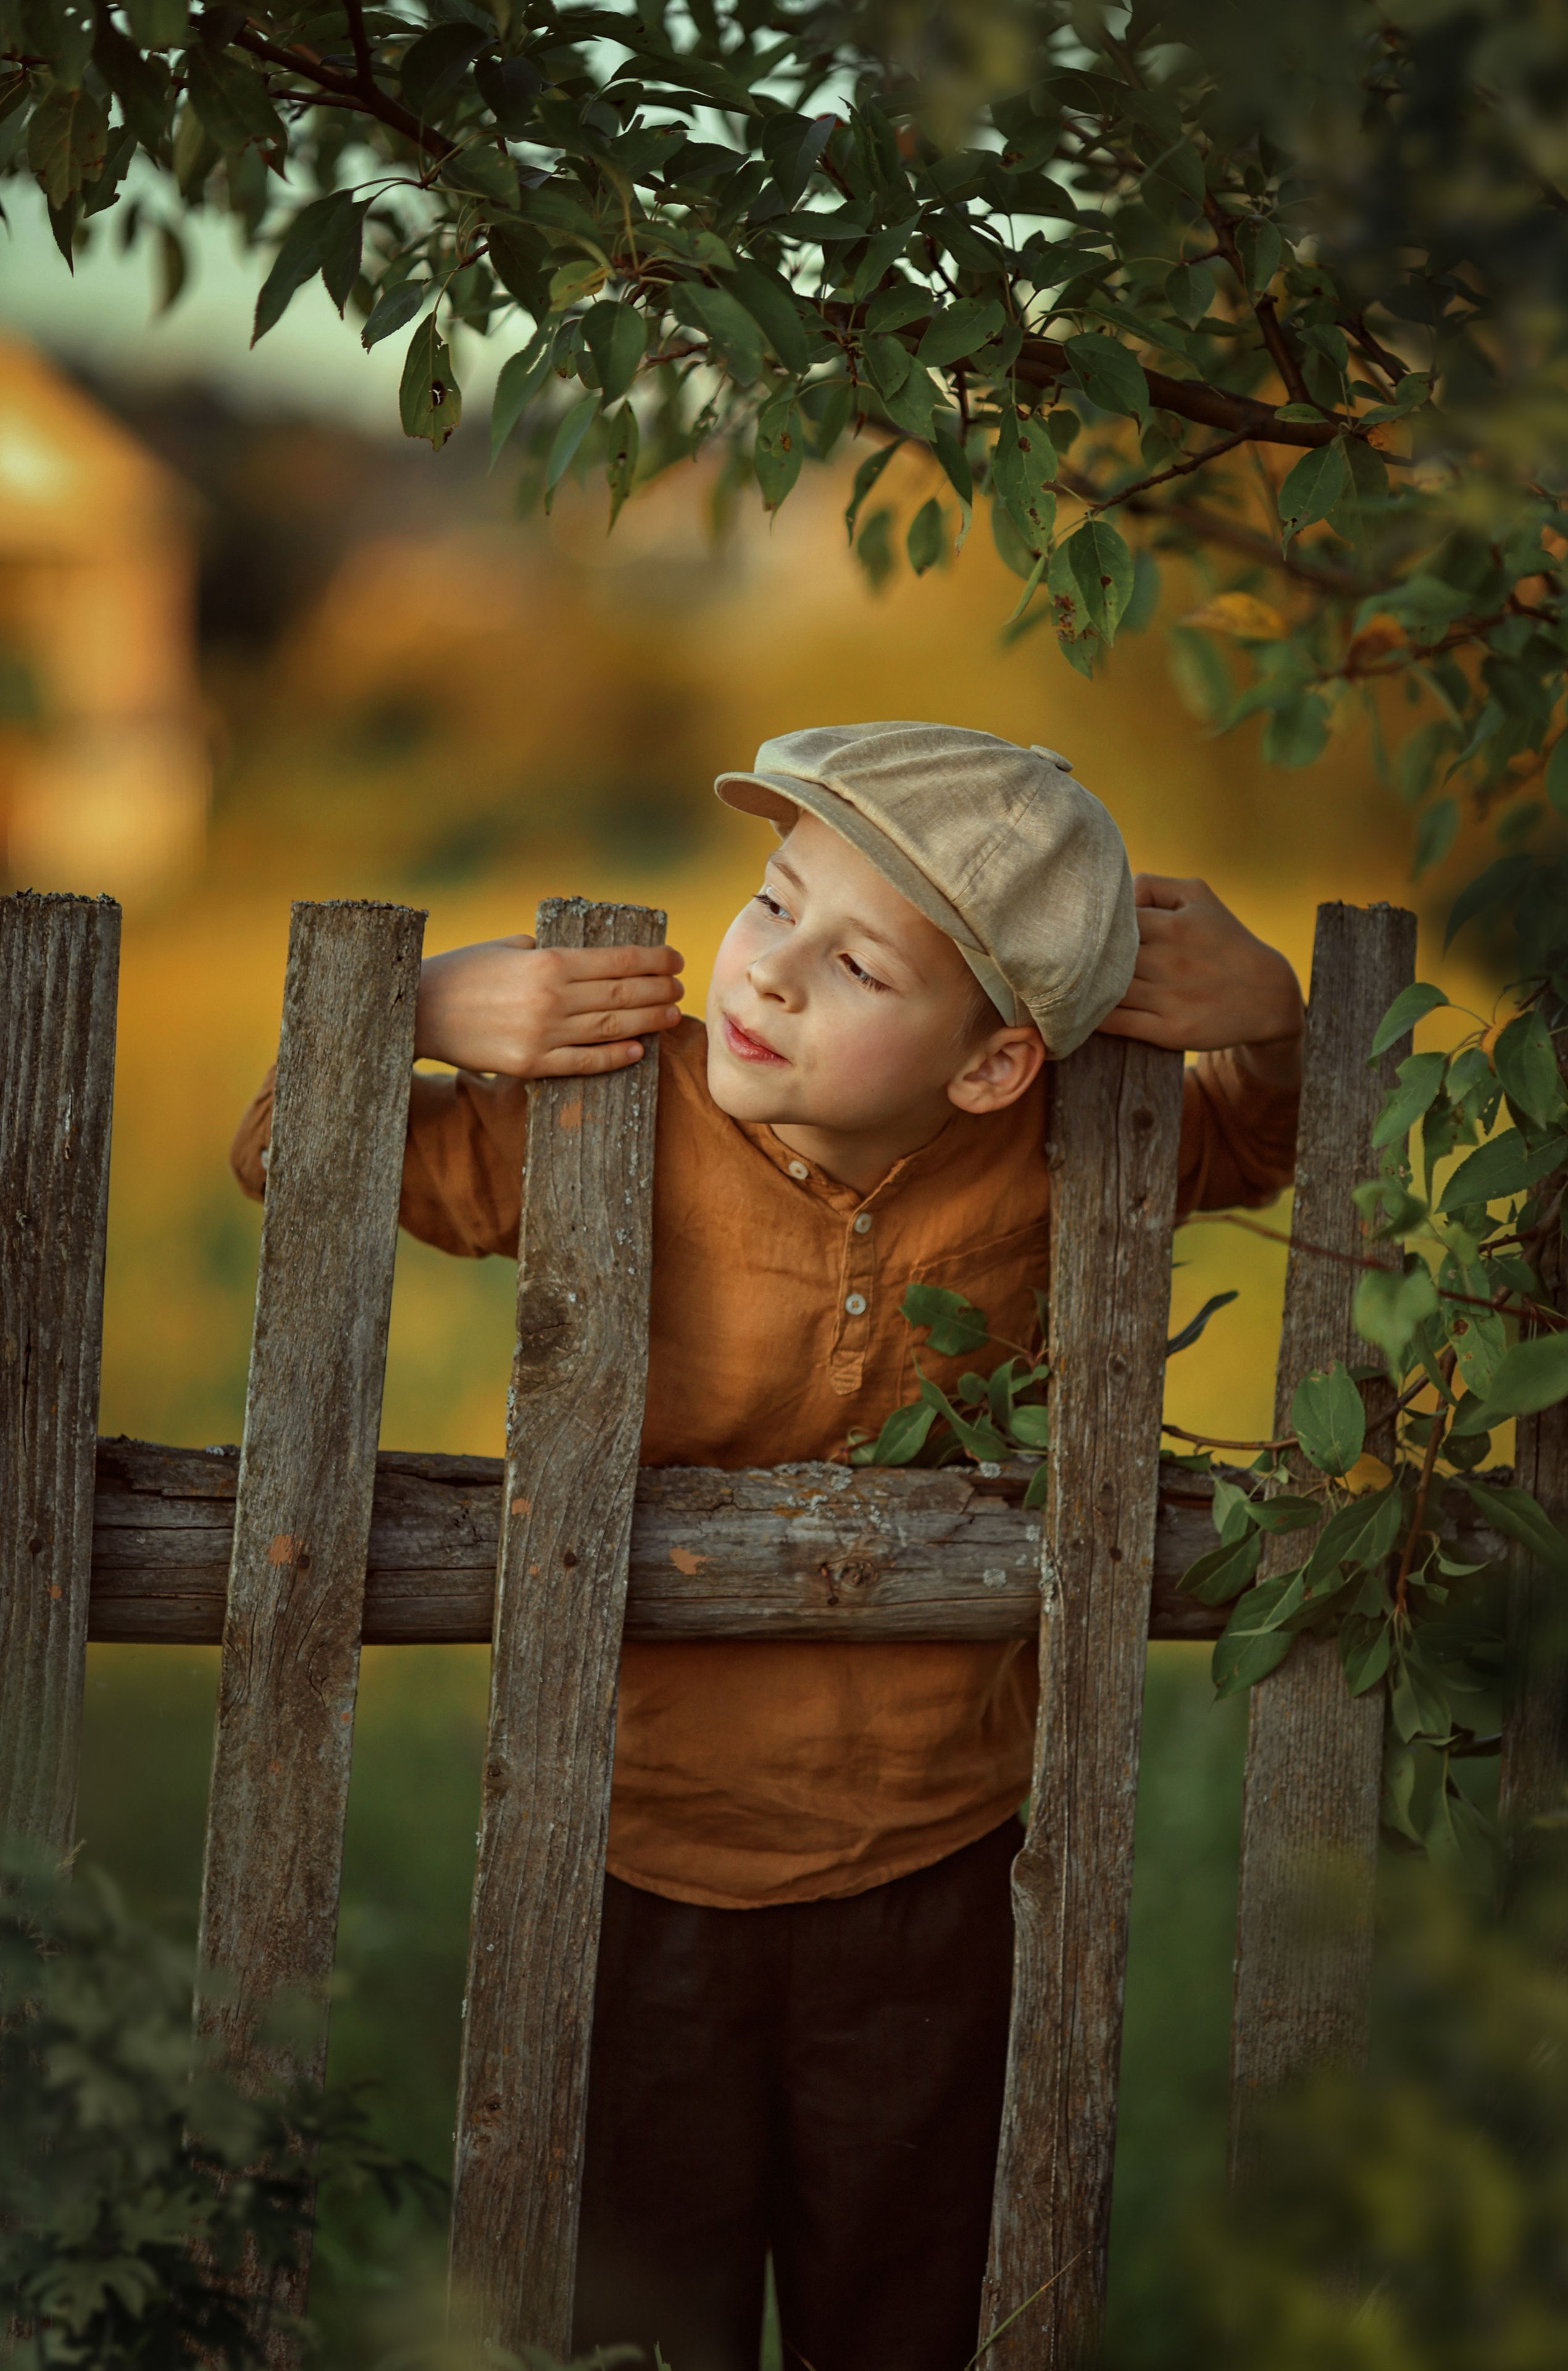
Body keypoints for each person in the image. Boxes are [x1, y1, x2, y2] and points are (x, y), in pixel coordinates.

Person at [232, 722, 1305, 2371]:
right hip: (631, 1845)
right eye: (774, 900)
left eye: (859, 963)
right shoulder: (609, 1109)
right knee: (642, 2320)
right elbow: (283, 1156)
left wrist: (1273, 1016)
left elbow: (1264, 1133)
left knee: (904, 2310)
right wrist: (418, 1007)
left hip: (935, 1854)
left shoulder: (1068, 1140)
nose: (773, 971)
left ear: (993, 1065)